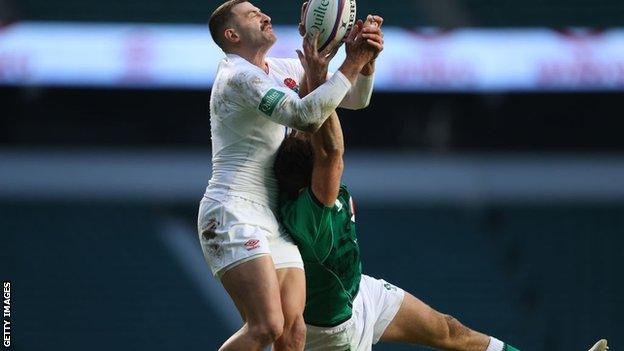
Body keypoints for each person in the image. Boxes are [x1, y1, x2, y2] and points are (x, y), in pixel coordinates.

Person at [273, 39, 609, 351]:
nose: (313, 134)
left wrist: (345, 70)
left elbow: (313, 121)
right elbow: (331, 148)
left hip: (359, 291)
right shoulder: (312, 207)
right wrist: (343, 65)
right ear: (311, 174)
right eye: (310, 142)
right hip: (334, 330)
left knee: (449, 330)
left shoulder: (306, 183)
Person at [197, 1, 384, 350]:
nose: (265, 16)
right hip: (232, 209)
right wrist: (351, 62)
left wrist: (366, 61)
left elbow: (354, 98)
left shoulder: (278, 68)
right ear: (232, 34)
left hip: (272, 214)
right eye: (253, 15)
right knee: (266, 326)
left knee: (294, 331)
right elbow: (306, 116)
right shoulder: (237, 76)